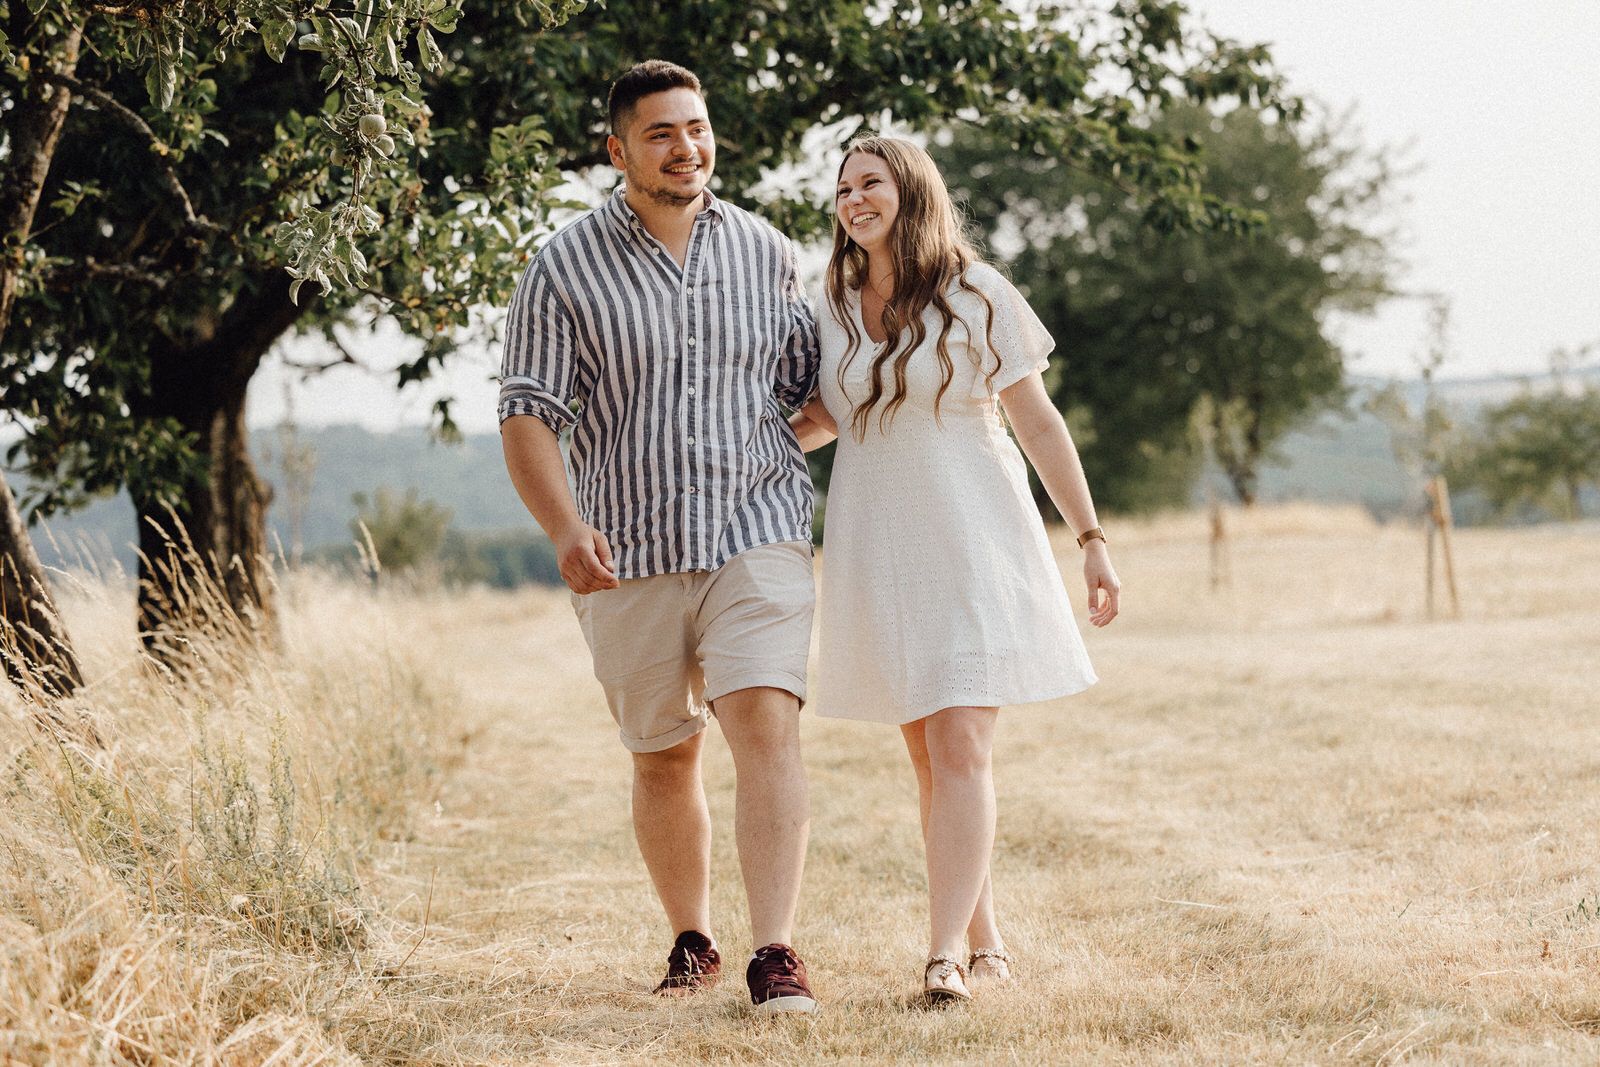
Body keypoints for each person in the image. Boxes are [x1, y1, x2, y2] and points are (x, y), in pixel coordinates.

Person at [499, 60, 822, 1015]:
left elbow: (812, 390)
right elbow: (528, 413)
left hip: (754, 529)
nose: (687, 148)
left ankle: (775, 953)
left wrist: (769, 446)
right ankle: (693, 936)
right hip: (625, 545)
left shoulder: (767, 251)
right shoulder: (562, 266)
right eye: (661, 134)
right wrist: (564, 526)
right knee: (661, 752)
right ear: (618, 150)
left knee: (764, 719)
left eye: (696, 127)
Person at [788, 136, 1121, 1004]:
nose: (855, 199)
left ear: (912, 192)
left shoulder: (977, 294)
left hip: (975, 539)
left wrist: (1089, 536)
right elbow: (828, 415)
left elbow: (1038, 423)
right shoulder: (830, 304)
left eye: (873, 183)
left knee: (961, 742)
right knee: (931, 760)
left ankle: (942, 957)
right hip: (878, 545)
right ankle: (988, 940)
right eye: (844, 187)